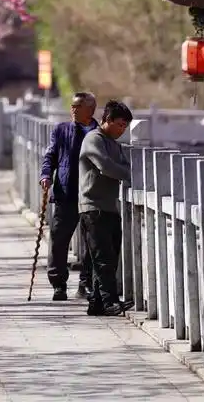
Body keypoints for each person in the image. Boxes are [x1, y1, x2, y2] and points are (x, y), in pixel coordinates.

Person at [40, 91, 97, 302]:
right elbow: (50, 156)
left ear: (89, 110)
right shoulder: (61, 130)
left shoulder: (99, 133)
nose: (73, 110)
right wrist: (46, 175)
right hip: (65, 192)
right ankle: (58, 284)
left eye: (77, 106)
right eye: (72, 106)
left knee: (93, 241)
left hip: (91, 195)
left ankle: (86, 283)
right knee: (59, 239)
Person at [79, 99, 134, 318]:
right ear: (107, 120)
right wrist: (123, 172)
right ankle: (110, 302)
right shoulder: (94, 139)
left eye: (125, 127)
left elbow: (123, 166)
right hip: (93, 207)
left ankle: (97, 303)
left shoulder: (115, 144)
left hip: (110, 207)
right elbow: (106, 166)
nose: (122, 130)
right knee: (103, 258)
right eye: (120, 125)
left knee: (104, 257)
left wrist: (121, 170)